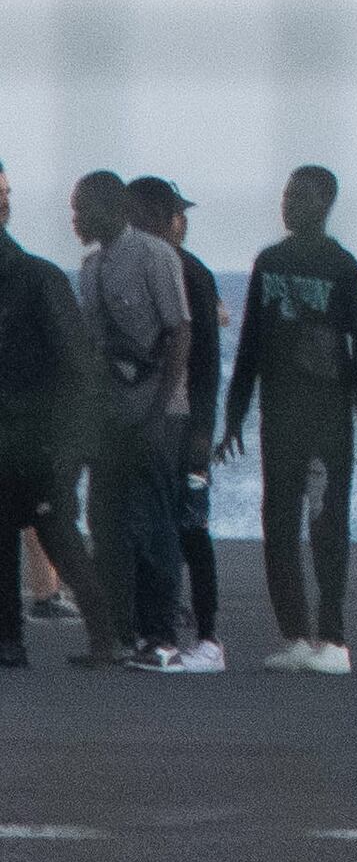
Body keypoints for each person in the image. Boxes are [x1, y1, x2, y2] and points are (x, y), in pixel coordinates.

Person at [218, 165, 357, 673]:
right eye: (287, 193)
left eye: (300, 196)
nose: (288, 203)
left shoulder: (343, 267)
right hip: (279, 416)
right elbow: (251, 341)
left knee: (328, 522)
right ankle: (294, 635)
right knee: (278, 522)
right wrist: (234, 414)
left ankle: (332, 639)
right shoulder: (269, 263)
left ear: (325, 203)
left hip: (329, 417)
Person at [69, 171, 195, 667]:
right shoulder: (91, 267)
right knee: (105, 521)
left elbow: (178, 332)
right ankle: (117, 632)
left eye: (84, 208)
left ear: (114, 208)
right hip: (109, 418)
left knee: (155, 523)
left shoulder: (153, 256)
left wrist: (160, 411)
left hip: (156, 415)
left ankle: (160, 634)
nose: (76, 219)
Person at [0, 160, 121, 666]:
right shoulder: (34, 275)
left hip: (40, 435)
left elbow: (79, 365)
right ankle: (11, 640)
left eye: (5, 191)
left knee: (58, 533)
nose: (5, 201)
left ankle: (102, 637)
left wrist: (71, 442)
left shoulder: (37, 278)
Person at [133, 181, 226, 655]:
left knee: (190, 527)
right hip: (155, 419)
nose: (182, 223)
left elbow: (206, 359)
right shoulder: (147, 268)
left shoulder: (193, 273)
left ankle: (207, 633)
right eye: (175, 214)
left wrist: (204, 430)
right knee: (152, 526)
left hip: (183, 421)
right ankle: (153, 621)